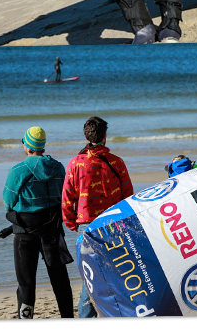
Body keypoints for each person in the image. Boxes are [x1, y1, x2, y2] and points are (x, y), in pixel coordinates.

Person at [62, 116, 134, 317]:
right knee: (114, 272)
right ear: (105, 136)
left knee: (91, 274)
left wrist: (69, 221)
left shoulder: (75, 163)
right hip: (113, 224)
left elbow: (67, 195)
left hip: (87, 224)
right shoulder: (117, 162)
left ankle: (86, 315)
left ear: (86, 135)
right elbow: (128, 195)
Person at [3, 126, 74, 319]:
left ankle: (26, 324)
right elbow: (63, 196)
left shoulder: (17, 171)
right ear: (43, 146)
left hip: (25, 233)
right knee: (60, 281)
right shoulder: (58, 167)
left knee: (26, 284)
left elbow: (8, 203)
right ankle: (69, 321)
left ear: (27, 146)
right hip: (52, 230)